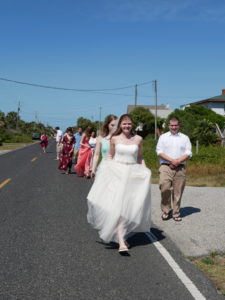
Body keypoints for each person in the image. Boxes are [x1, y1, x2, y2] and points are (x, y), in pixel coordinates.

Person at [87, 114, 151, 254]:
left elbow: (139, 157)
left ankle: (119, 235)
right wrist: (103, 169)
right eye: (124, 124)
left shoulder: (138, 139)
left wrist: (145, 170)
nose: (127, 126)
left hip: (132, 175)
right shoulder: (115, 139)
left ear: (132, 125)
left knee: (128, 208)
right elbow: (110, 156)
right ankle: (121, 240)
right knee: (117, 208)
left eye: (129, 124)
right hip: (117, 174)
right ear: (120, 125)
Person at [156, 116, 192, 222]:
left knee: (178, 191)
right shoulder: (163, 137)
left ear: (179, 125)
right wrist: (172, 161)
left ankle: (176, 213)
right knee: (164, 187)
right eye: (172, 125)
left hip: (180, 168)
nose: (174, 127)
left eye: (176, 125)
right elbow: (159, 151)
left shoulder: (185, 138)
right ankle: (166, 209)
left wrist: (178, 161)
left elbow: (188, 153)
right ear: (169, 126)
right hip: (166, 167)